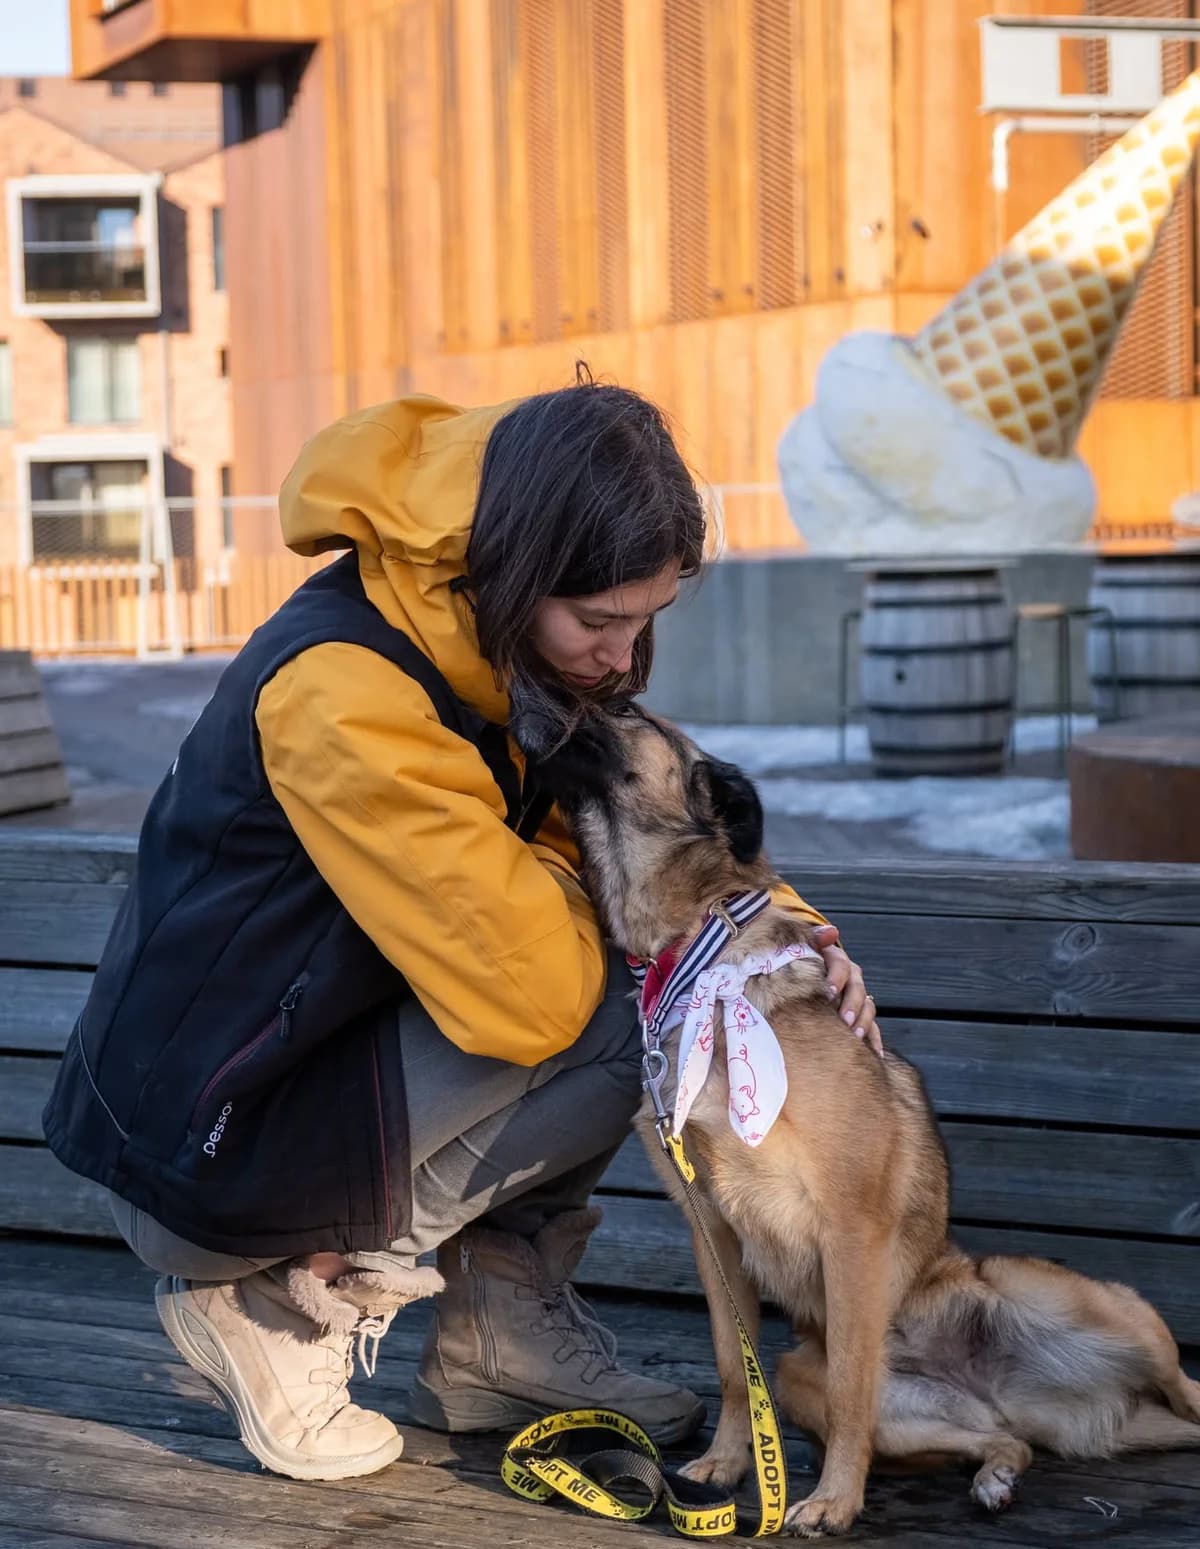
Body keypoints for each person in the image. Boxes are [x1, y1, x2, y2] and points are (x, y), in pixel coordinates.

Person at [44, 376, 881, 1483]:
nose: (624, 662)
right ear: (521, 572)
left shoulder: (496, 640)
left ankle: (501, 1330)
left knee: (667, 995)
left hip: (318, 1061)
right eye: (599, 623)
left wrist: (787, 939)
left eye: (645, 623)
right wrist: (686, 938)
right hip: (212, 1146)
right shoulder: (348, 692)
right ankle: (274, 1306)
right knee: (635, 1018)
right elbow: (529, 991)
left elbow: (634, 830)